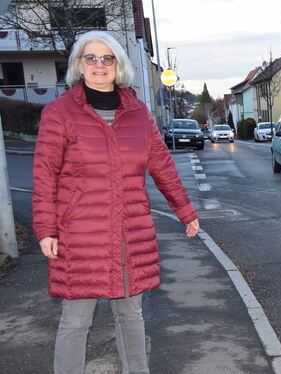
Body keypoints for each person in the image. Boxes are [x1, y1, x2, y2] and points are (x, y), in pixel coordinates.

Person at [32, 31, 199, 374]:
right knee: (76, 321)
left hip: (129, 233)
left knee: (130, 316)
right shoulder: (59, 113)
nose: (99, 65)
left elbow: (163, 167)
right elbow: (45, 176)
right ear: (79, 65)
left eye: (107, 58)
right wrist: (46, 229)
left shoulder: (138, 114)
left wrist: (185, 211)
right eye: (90, 58)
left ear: (118, 65)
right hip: (80, 237)